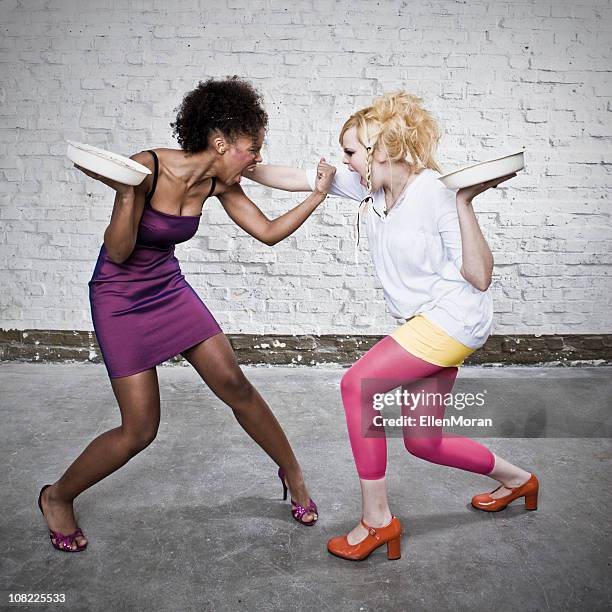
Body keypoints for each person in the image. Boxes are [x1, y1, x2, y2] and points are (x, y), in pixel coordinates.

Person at [37, 76, 336, 552]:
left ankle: (293, 473)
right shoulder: (146, 167)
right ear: (221, 142)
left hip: (167, 289)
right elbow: (117, 253)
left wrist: (317, 195)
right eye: (252, 147)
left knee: (235, 384)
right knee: (140, 429)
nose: (257, 156)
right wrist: (127, 193)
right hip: (119, 296)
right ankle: (57, 496)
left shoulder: (219, 181)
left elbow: (268, 231)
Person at [244, 90, 539, 561]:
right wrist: (241, 166)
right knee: (425, 441)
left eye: (351, 152)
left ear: (381, 150)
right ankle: (519, 480)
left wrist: (463, 202)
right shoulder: (371, 186)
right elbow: (294, 178)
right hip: (429, 322)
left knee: (358, 385)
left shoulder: (436, 192)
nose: (345, 163)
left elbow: (480, 277)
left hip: (454, 318)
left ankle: (377, 521)